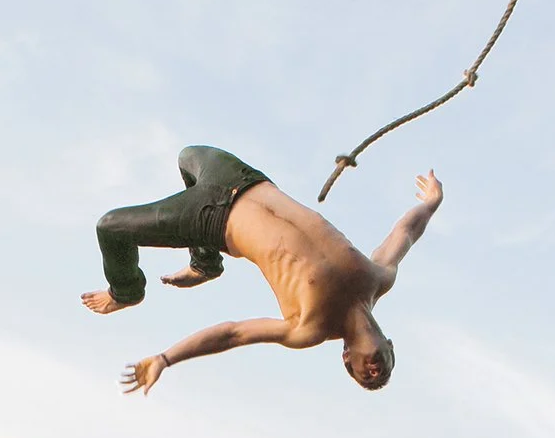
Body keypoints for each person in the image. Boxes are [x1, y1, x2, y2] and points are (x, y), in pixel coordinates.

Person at [86, 145, 441, 394]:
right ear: (390, 347)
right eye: (383, 373)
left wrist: (166, 358)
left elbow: (233, 334)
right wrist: (431, 203)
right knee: (187, 156)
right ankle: (205, 263)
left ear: (345, 357)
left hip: (212, 218)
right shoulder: (378, 277)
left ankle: (126, 291)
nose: (375, 375)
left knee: (110, 227)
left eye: (364, 377)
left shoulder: (309, 327)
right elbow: (405, 233)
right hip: (245, 179)